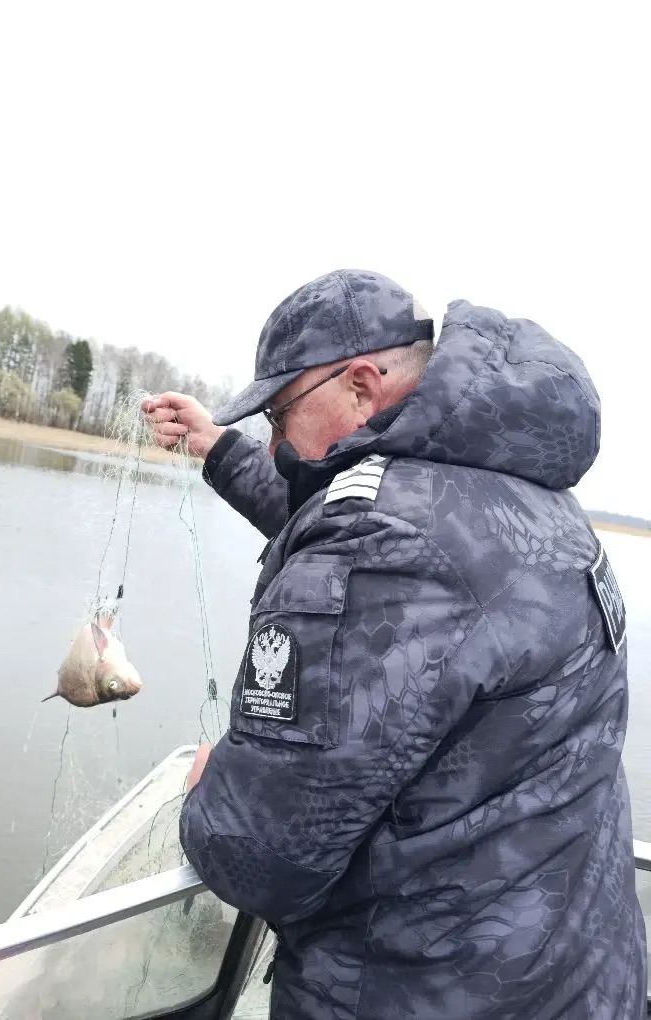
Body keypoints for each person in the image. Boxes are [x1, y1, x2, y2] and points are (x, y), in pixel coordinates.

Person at [142, 269, 647, 1019]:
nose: (276, 443)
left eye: (280, 414)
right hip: (577, 974)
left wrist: (204, 802)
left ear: (360, 387)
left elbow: (262, 853)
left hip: (425, 992)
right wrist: (217, 447)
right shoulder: (519, 492)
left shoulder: (383, 543)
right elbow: (337, 506)